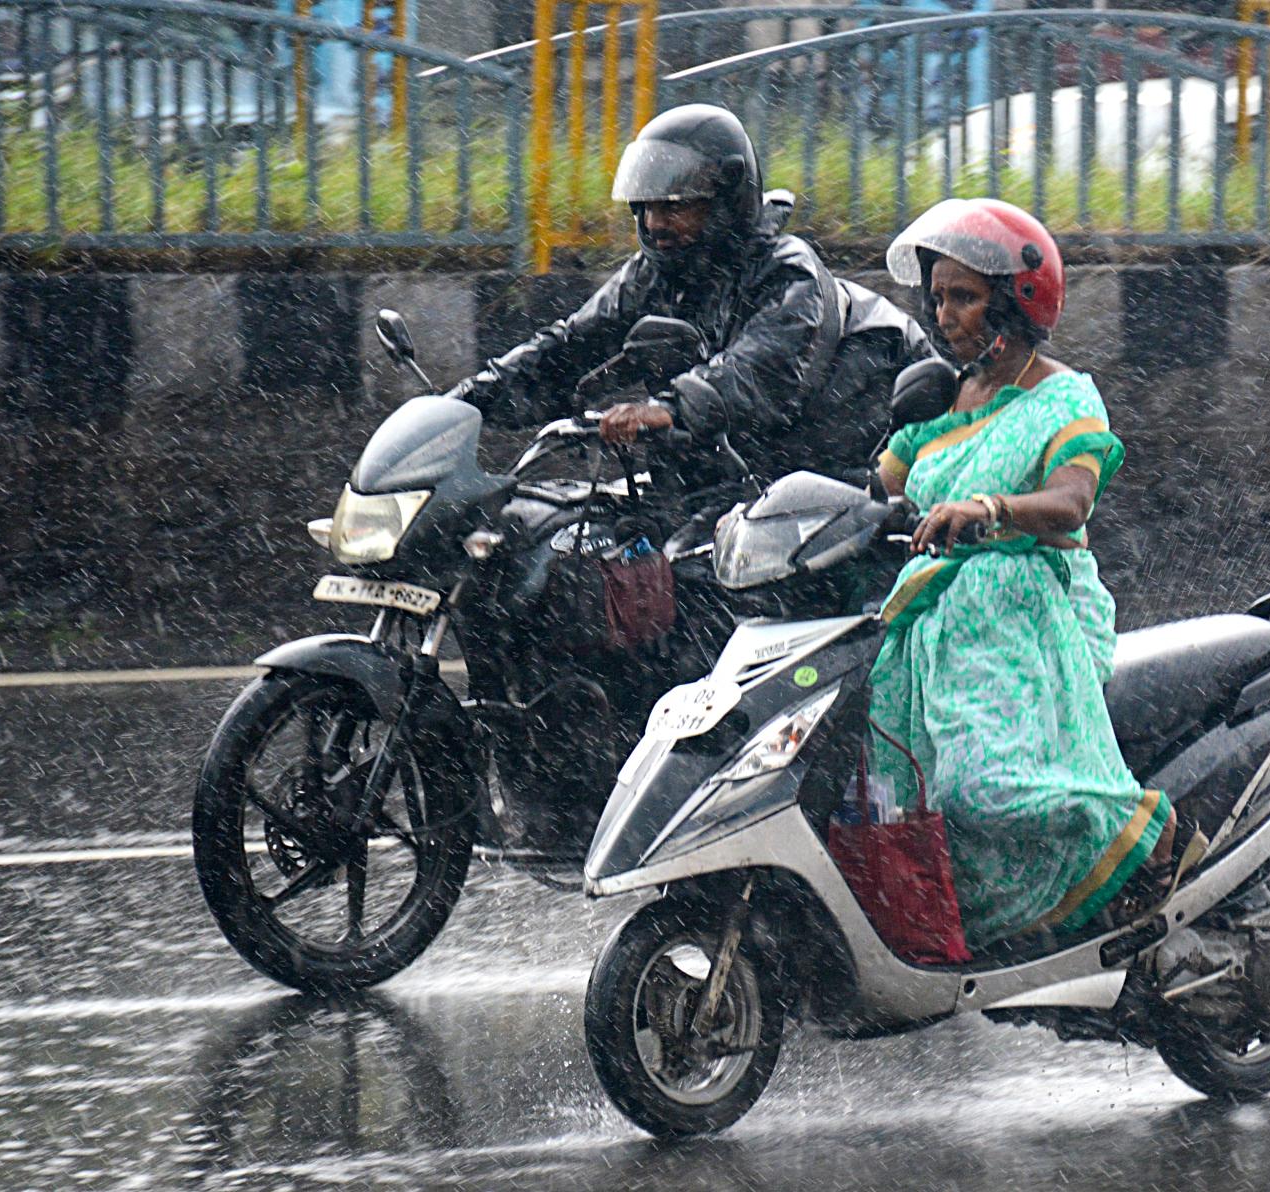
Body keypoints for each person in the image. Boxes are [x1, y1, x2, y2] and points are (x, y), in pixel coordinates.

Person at [870, 198, 1175, 951]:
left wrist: (988, 508)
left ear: (1015, 300)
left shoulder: (1063, 395)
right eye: (937, 297)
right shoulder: (940, 406)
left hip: (1020, 612)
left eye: (964, 297)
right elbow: (871, 493)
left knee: (981, 790)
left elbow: (1071, 502)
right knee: (912, 806)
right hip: (930, 628)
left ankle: (1146, 834)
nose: (945, 315)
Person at [444, 103, 933, 494]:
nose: (656, 224)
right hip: (742, 472)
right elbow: (570, 346)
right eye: (648, 207)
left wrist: (669, 408)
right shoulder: (654, 275)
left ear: (727, 199)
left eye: (676, 207)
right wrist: (464, 403)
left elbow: (757, 371)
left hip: (851, 461)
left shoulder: (787, 272)